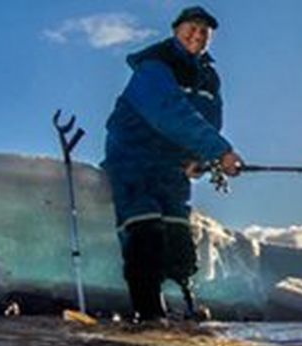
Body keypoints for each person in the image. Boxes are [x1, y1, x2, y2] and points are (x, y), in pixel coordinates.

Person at [102, 6, 242, 322]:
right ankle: (149, 316)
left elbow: (209, 119)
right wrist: (220, 152)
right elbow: (169, 111)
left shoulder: (209, 77)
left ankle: (188, 310)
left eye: (205, 31)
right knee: (145, 228)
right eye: (191, 27)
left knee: (179, 237)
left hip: (172, 168)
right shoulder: (155, 66)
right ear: (175, 30)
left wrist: (198, 158)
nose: (198, 34)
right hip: (133, 161)